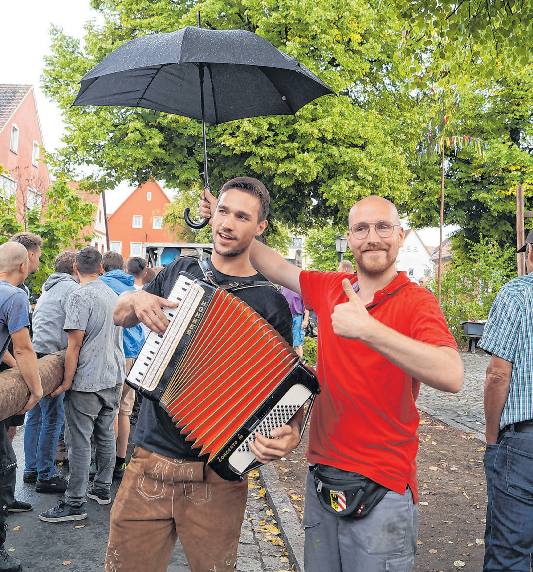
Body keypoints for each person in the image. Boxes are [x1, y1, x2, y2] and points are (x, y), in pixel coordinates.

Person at [200, 192, 464, 572]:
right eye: (361, 228)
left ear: (401, 235)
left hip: (383, 483)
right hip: (321, 473)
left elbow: (453, 374)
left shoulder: (417, 301)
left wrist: (369, 330)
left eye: (383, 227)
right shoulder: (332, 288)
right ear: (350, 237)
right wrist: (230, 220)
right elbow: (270, 262)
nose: (372, 237)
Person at [106, 176, 295, 572]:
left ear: (260, 227)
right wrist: (136, 296)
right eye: (223, 211)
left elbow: (283, 391)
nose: (227, 223)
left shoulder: (269, 302)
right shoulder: (180, 270)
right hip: (148, 462)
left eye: (242, 216)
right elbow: (119, 314)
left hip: (218, 476)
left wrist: (288, 433)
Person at [39, 247, 125, 523]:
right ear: (101, 268)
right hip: (113, 376)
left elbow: (74, 347)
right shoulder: (113, 295)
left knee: (79, 443)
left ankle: (74, 502)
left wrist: (65, 383)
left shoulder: (79, 296)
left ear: (75, 268)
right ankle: (102, 489)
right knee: (104, 435)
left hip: (87, 380)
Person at [478, 230, 533, 571]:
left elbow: (498, 374)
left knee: (509, 553)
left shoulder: (518, 293)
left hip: (524, 442)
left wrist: (491, 435)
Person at [0, 241, 43, 572]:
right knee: (4, 465)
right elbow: (24, 348)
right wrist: (36, 387)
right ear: (23, 264)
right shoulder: (14, 296)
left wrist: (14, 368)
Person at [23, 251, 79, 494]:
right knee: (53, 417)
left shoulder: (47, 287)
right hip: (53, 357)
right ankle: (46, 474)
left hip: (36, 354)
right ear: (75, 268)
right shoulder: (72, 290)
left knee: (34, 416)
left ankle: (31, 468)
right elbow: (73, 328)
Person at [100, 251, 144, 479]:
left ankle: (104, 464)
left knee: (109, 410)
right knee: (125, 409)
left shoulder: (99, 286)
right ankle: (119, 462)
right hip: (134, 353)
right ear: (123, 269)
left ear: (102, 268)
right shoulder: (133, 289)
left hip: (110, 352)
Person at [279, 286, 309, 358]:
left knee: (297, 344)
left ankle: (299, 363)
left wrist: (305, 320)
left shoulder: (299, 289)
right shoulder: (282, 289)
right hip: (285, 317)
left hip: (297, 318)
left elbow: (307, 306)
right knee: (285, 342)